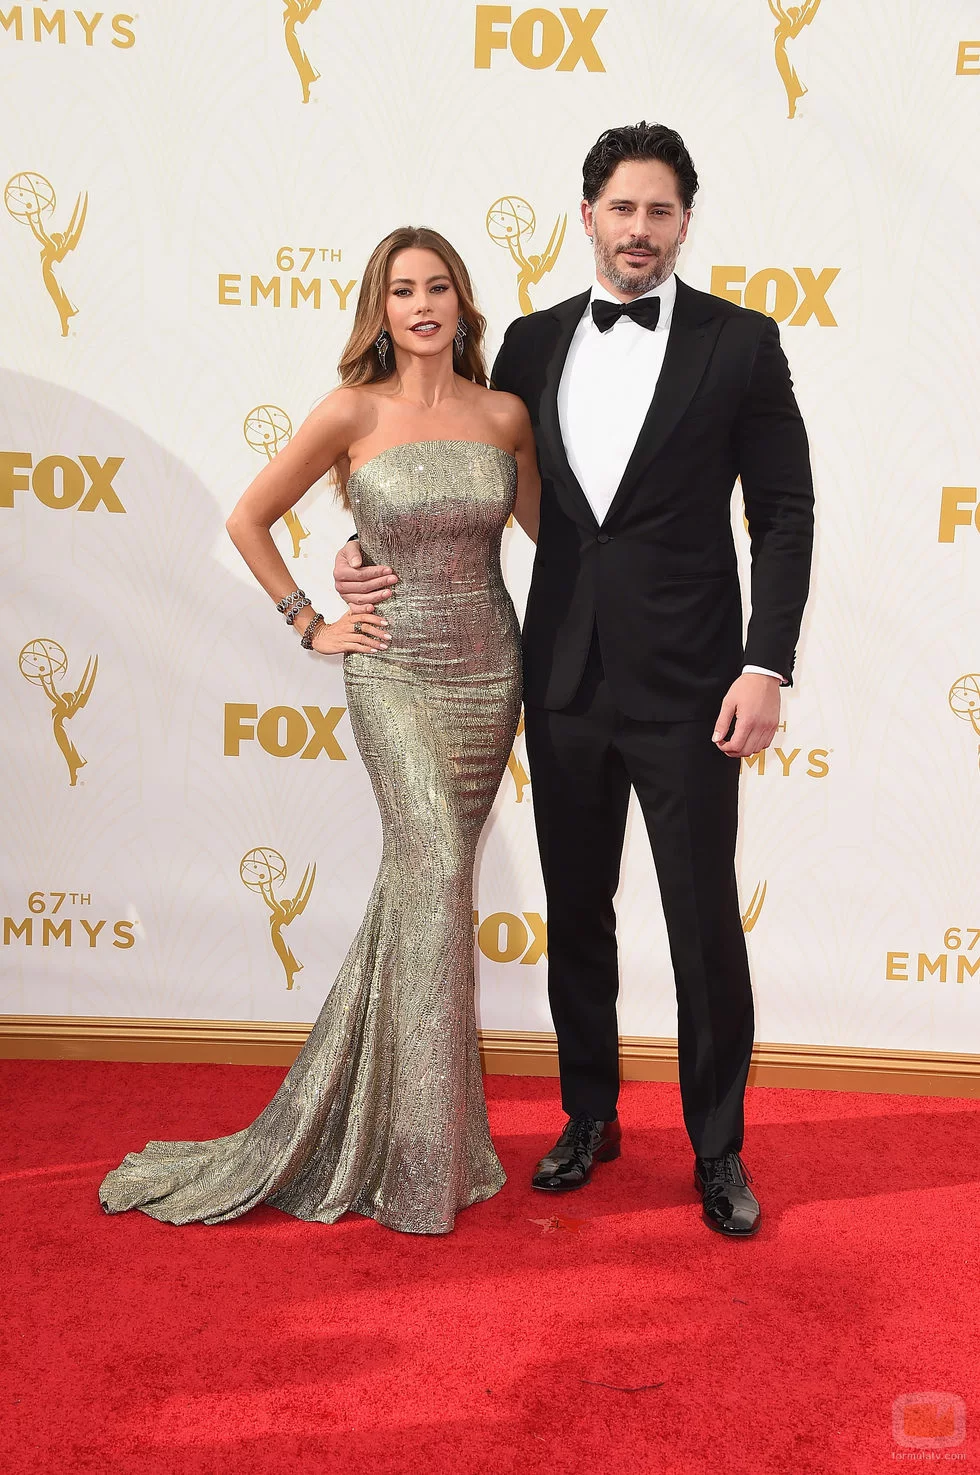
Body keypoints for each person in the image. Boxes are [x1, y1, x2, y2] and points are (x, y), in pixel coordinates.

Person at [334, 124, 815, 1237]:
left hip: (696, 681)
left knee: (702, 919)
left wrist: (765, 662)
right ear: (587, 215)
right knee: (576, 908)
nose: (639, 230)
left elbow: (783, 514)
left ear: (684, 221)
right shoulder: (532, 343)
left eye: (659, 211)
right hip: (557, 674)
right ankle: (588, 1113)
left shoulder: (740, 343)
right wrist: (365, 549)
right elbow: (460, 475)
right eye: (621, 208)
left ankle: (717, 1145)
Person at [98, 227, 540, 1235]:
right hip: (391, 668)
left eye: (437, 287)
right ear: (379, 309)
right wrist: (311, 617)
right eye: (401, 290)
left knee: (427, 892)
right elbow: (248, 517)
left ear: (462, 303)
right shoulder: (351, 409)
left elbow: (555, 535)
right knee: (433, 874)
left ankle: (424, 1137)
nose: (421, 305)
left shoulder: (504, 414)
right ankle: (414, 1160)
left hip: (487, 671)